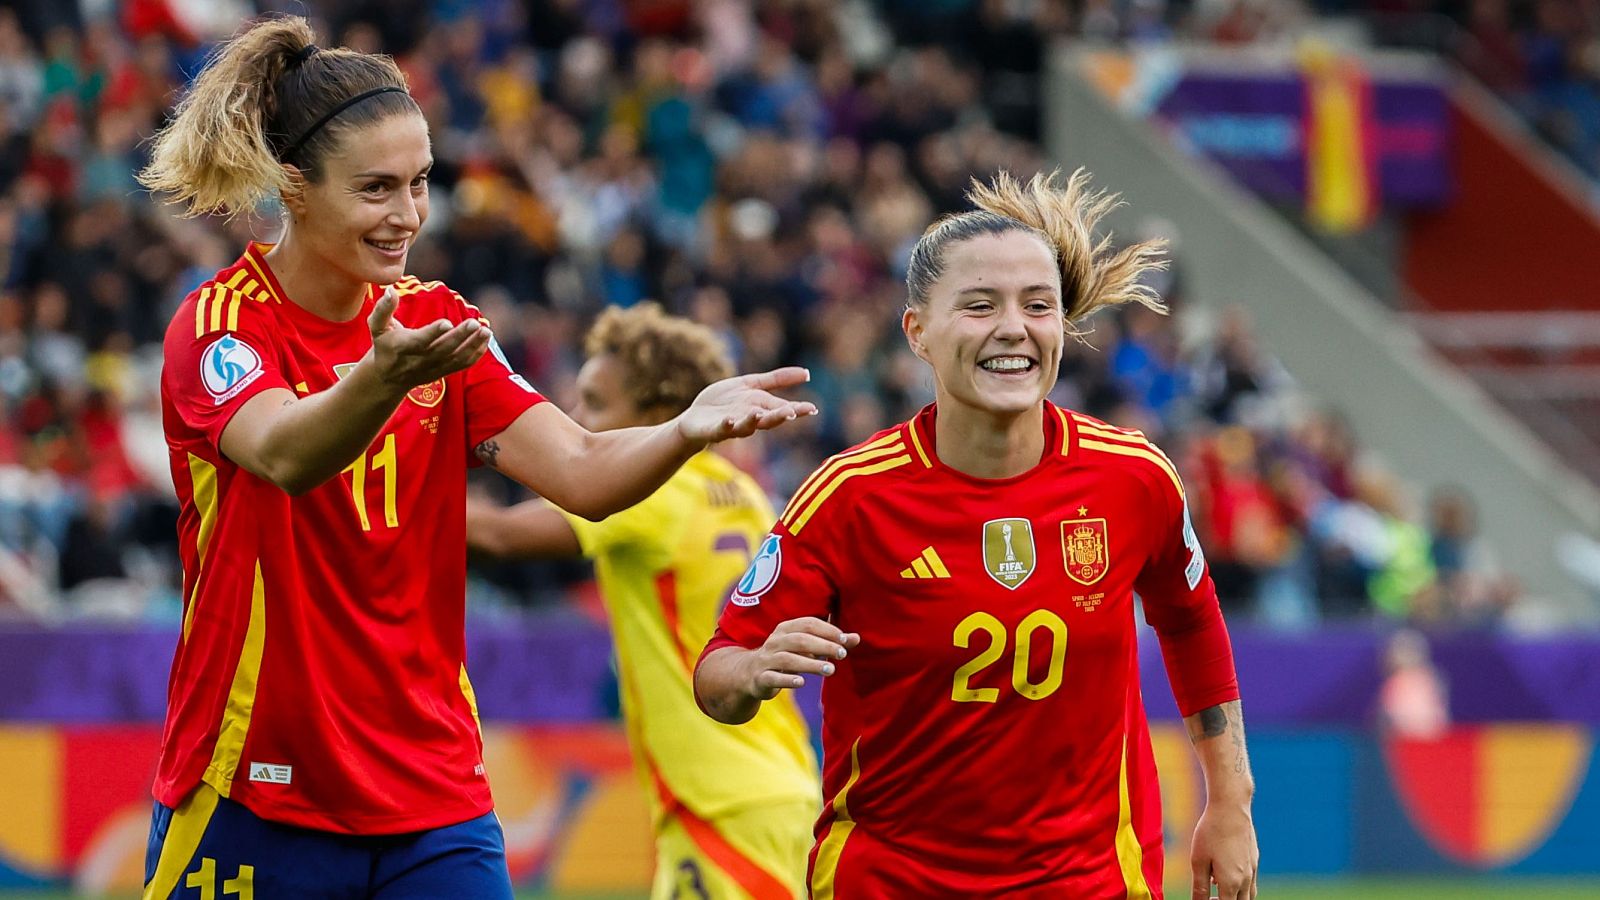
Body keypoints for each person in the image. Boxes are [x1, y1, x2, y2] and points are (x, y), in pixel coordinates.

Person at [136, 17, 813, 900]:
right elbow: (281, 452)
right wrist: (379, 379)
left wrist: (682, 428)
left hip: (435, 799)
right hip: (256, 786)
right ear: (294, 188)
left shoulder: (436, 323)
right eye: (376, 189)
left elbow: (580, 470)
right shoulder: (223, 324)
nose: (408, 215)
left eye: (420, 184)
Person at [695, 170, 1260, 899]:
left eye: (1038, 306)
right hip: (892, 881)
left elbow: (1192, 624)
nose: (1013, 329)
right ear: (917, 332)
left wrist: (1231, 802)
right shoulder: (849, 498)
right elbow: (718, 671)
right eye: (980, 306)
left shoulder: (1134, 479)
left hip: (1090, 880)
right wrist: (749, 672)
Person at [465, 302, 820, 899]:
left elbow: (498, 536)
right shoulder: (742, 493)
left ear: (659, 413)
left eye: (597, 403)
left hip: (718, 797)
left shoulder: (654, 495)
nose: (577, 420)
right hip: (779, 784)